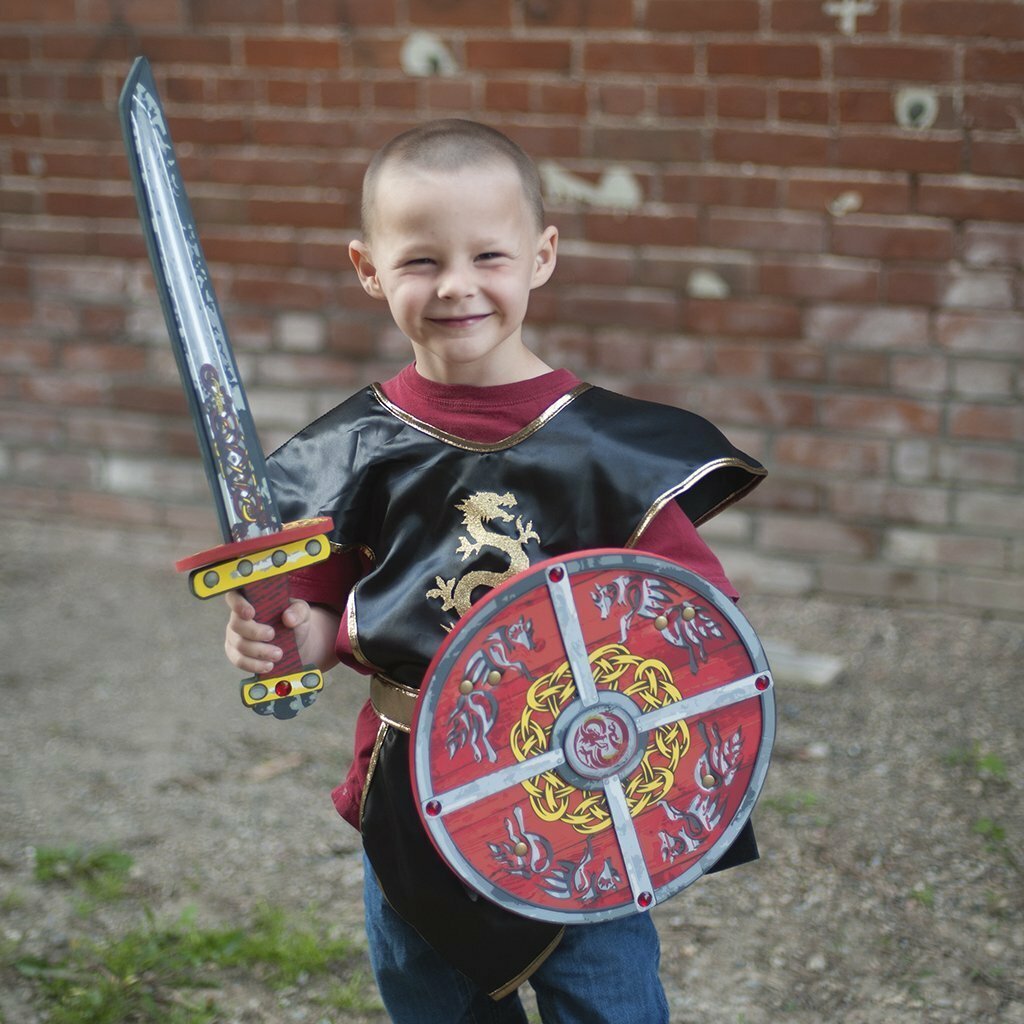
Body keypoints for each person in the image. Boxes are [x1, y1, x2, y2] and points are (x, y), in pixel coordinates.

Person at [223, 119, 766, 1024]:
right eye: (421, 260)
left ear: (541, 256)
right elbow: (318, 626)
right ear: (367, 268)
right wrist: (279, 638)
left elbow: (696, 632)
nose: (457, 285)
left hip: (582, 795)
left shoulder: (611, 450)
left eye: (489, 255)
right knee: (432, 1000)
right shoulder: (348, 452)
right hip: (413, 796)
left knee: (607, 1003)